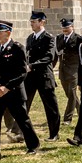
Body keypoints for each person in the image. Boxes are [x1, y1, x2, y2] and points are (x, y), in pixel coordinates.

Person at [0, 20, 40, 160]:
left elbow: (22, 73)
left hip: (14, 91)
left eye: (0, 32)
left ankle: (33, 145)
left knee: (22, 120)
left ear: (8, 33)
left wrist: (7, 87)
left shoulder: (17, 48)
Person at [24, 10, 61, 141]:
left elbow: (49, 57)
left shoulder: (49, 38)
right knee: (24, 104)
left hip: (44, 76)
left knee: (51, 107)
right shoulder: (30, 38)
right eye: (31, 22)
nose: (31, 24)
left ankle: (54, 134)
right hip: (30, 77)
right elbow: (27, 56)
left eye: (34, 22)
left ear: (42, 22)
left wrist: (32, 66)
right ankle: (21, 132)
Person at [54, 18, 82, 125]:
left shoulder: (79, 39)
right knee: (70, 94)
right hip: (63, 71)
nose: (65, 30)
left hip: (74, 71)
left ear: (72, 27)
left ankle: (67, 118)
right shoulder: (58, 38)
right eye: (63, 28)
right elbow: (55, 55)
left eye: (67, 27)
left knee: (71, 94)